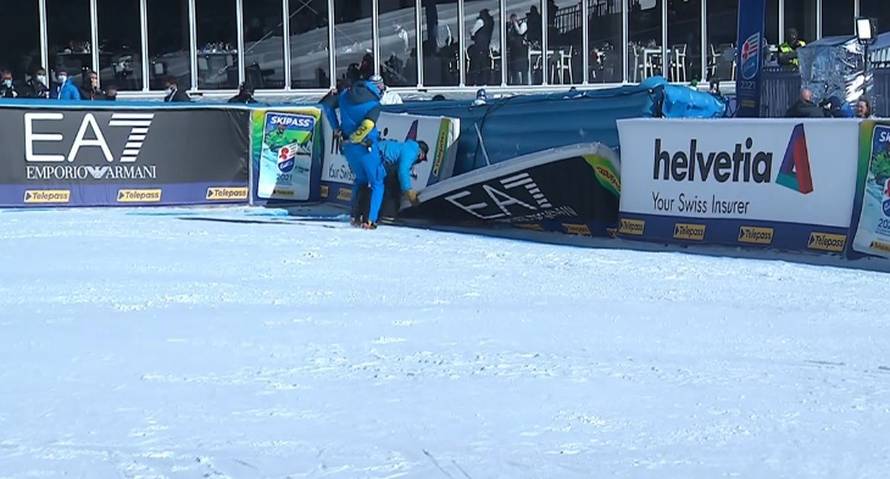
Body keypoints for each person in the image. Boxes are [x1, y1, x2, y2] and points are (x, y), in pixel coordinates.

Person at [320, 75, 386, 229]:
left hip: (348, 148)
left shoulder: (344, 95)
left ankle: (354, 216)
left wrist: (336, 128)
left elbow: (327, 106)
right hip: (366, 147)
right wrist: (356, 138)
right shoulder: (373, 104)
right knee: (377, 182)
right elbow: (368, 125)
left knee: (360, 180)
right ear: (378, 87)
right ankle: (371, 220)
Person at [379, 139, 429, 209]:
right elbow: (403, 171)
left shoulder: (408, 147)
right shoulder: (412, 151)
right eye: (422, 158)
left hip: (376, 155)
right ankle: (388, 213)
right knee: (391, 186)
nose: (419, 161)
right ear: (422, 154)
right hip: (378, 157)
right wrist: (408, 190)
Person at [469, 9, 495, 85]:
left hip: (479, 45)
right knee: (484, 64)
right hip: (486, 45)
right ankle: (485, 81)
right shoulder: (490, 22)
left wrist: (471, 33)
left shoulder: (480, 21)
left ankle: (475, 81)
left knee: (476, 64)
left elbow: (473, 32)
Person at [507, 13, 529, 85]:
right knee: (514, 69)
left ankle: (525, 84)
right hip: (514, 50)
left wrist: (515, 24)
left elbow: (520, 32)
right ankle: (515, 83)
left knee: (523, 69)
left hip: (522, 50)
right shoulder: (511, 27)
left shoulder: (523, 24)